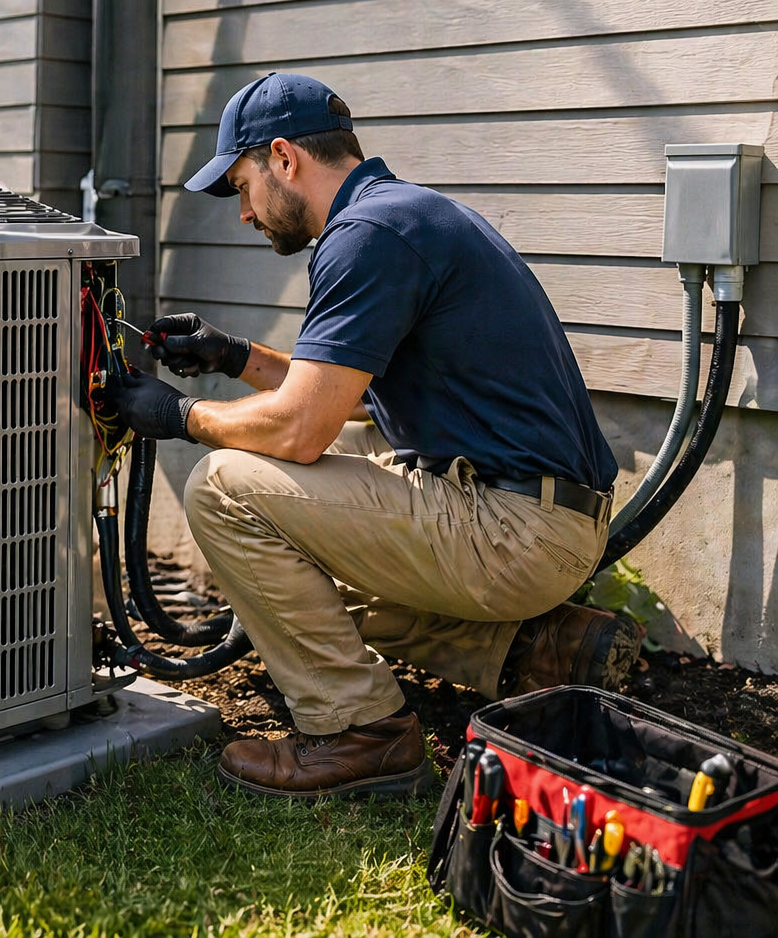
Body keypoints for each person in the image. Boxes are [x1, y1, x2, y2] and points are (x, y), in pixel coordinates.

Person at [108, 73, 641, 799]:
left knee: (226, 487)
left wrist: (177, 415)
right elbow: (348, 402)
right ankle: (537, 652)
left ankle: (358, 734)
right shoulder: (401, 215)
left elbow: (301, 428)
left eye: (241, 186)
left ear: (284, 159)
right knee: (294, 587)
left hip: (516, 530)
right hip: (544, 514)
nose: (244, 214)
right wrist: (234, 356)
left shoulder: (365, 237)